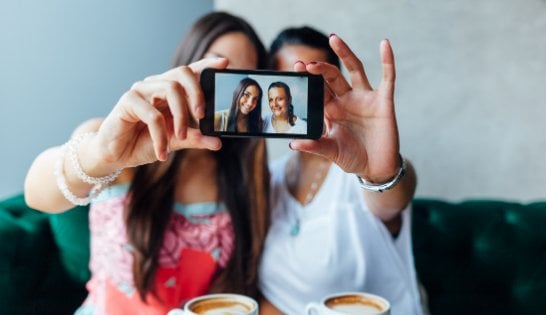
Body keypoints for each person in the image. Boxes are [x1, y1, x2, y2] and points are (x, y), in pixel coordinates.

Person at [24, 12, 270, 315]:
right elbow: (36, 195)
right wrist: (102, 154)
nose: (228, 89)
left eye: (243, 78)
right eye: (218, 67)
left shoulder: (246, 177)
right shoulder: (118, 139)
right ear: (189, 63)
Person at [258, 27, 425, 314]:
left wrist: (380, 174)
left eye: (308, 82)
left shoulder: (356, 173)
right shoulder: (269, 178)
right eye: (283, 82)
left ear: (331, 87)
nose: (292, 95)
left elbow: (393, 198)